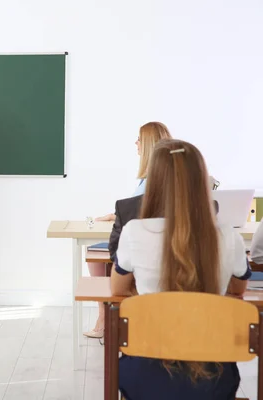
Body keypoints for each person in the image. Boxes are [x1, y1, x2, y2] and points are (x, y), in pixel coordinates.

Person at [111, 139, 250, 399]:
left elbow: (117, 289)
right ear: (201, 182)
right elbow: (239, 288)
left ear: (154, 182)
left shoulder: (135, 232)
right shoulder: (227, 236)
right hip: (214, 377)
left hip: (145, 372)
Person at [84, 121, 172, 338]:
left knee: (96, 253)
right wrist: (116, 215)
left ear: (149, 144)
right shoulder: (168, 180)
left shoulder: (150, 181)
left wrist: (119, 216)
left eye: (139, 139)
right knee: (96, 253)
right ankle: (105, 316)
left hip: (145, 248)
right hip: (162, 247)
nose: (136, 143)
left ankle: (105, 316)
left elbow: (142, 214)